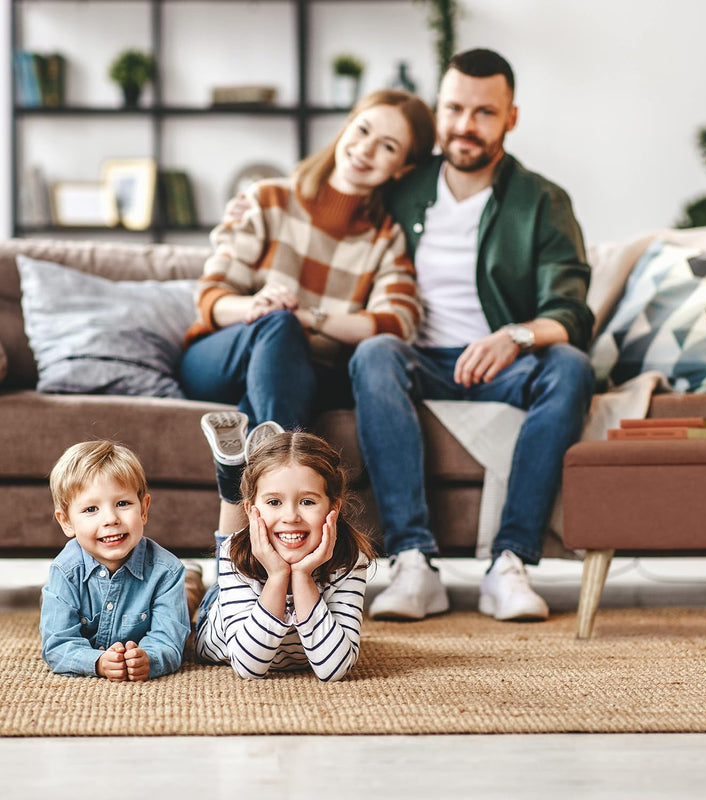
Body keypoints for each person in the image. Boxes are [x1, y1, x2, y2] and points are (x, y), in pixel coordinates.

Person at [348, 49, 596, 622]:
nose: (464, 125)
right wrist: (260, 199)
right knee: (373, 352)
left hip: (502, 364)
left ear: (511, 118)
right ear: (437, 109)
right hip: (417, 356)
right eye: (454, 108)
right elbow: (329, 198)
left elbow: (572, 312)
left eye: (484, 112)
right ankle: (413, 563)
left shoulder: (543, 201)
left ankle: (510, 563)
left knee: (570, 367)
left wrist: (515, 336)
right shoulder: (402, 188)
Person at [179, 89, 435, 541]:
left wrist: (311, 319)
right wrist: (256, 308)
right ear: (346, 126)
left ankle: (235, 560)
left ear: (404, 168)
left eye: (388, 147)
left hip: (297, 374)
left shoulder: (385, 238)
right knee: (277, 326)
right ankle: (289, 495)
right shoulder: (269, 198)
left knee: (255, 415)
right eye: (363, 130)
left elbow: (397, 321)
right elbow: (212, 298)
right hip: (223, 353)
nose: (366, 149)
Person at [194, 429, 377, 682]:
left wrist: (301, 576)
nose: (291, 516)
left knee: (257, 536)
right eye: (274, 502)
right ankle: (229, 476)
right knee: (191, 588)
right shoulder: (233, 555)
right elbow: (248, 668)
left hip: (264, 559)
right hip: (220, 605)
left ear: (334, 507)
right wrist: (278, 575)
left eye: (307, 502)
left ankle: (248, 471)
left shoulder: (350, 559)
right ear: (251, 509)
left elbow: (333, 669)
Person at [40, 440, 191, 681]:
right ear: (66, 522)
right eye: (91, 509)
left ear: (143, 509)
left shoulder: (167, 571)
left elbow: (169, 641)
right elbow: (56, 644)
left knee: (188, 603)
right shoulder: (65, 570)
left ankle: (192, 582)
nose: (111, 518)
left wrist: (148, 658)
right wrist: (97, 662)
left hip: (169, 580)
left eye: (123, 504)